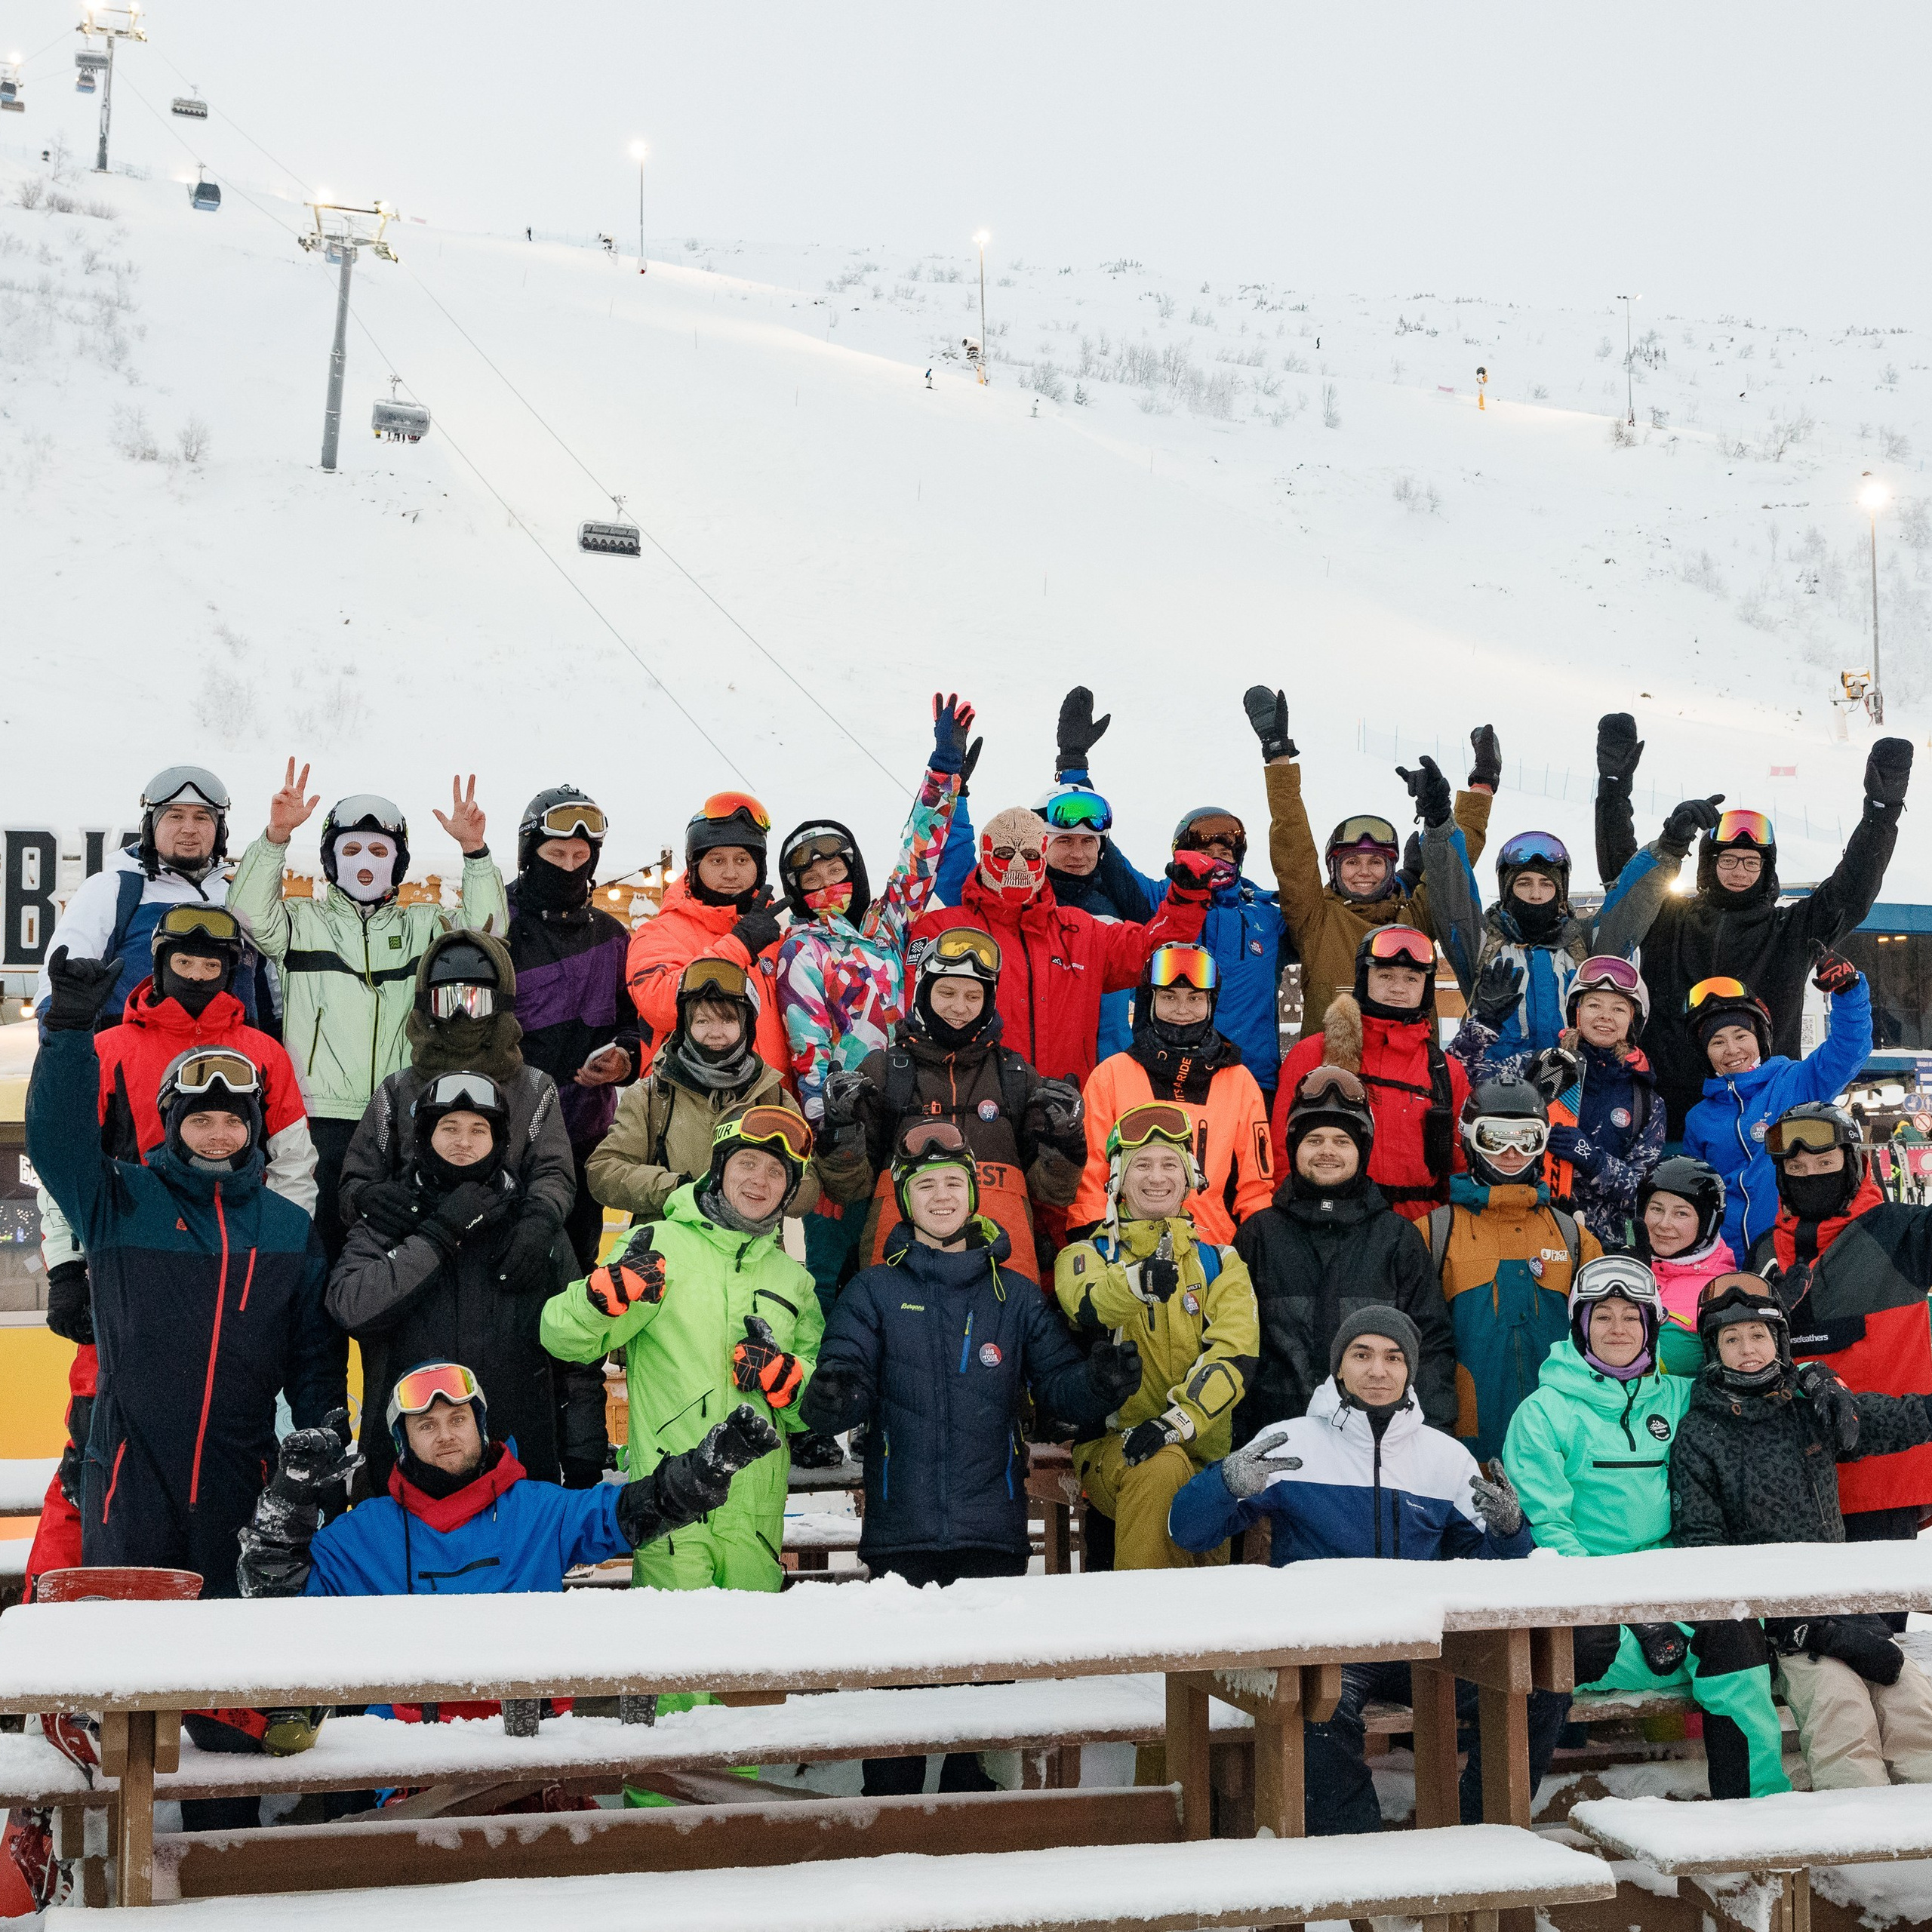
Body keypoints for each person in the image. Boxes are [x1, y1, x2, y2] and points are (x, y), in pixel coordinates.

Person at [800, 1124, 1140, 1797]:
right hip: (901, 1536)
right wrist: (834, 1394)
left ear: (974, 1195)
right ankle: (888, 1829)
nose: (941, 1196)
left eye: (953, 1183)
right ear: (905, 1200)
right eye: (925, 1185)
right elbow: (841, 1382)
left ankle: (973, 1835)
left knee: (977, 1733)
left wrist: (1101, 1382)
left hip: (992, 1537)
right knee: (897, 1729)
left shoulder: (1015, 1294)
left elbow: (1061, 1388)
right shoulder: (872, 1291)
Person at [1169, 1306, 1567, 1833]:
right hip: (1328, 1642)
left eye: (1393, 1358)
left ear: (1410, 1370)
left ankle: (1481, 1834)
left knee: (1541, 1686)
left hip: (1422, 1638)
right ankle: (1361, 1855)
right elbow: (1187, 1531)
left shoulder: (1445, 1457)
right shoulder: (1290, 1443)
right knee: (1318, 1711)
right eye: (1362, 1355)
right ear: (1339, 1367)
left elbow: (1493, 1576)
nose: (1378, 1370)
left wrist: (1510, 1533)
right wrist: (1225, 1484)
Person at [26, 950, 344, 1594]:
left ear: (253, 1128)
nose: (218, 1134)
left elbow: (315, 1360)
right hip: (127, 1475)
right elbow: (57, 1142)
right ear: (173, 1124)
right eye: (201, 1119)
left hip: (242, 1474)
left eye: (233, 1121)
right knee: (130, 1636)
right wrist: (68, 1033)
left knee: (228, 1642)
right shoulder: (122, 1200)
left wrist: (323, 1462)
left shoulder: (287, 1229)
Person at [1503, 1258, 1790, 1800]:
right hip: (1590, 1614)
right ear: (1580, 1326)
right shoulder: (1543, 1414)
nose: (1617, 1329)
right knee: (1604, 1650)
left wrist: (1813, 1379)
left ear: (1650, 1327)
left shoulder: (1679, 1397)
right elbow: (1549, 1529)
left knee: (1737, 1638)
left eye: (1631, 1317)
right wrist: (1630, 1612)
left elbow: (1756, 1382)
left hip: (1673, 1596)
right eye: (1602, 1316)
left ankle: (1758, 1812)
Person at [227, 762, 508, 1260]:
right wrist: (275, 838)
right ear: (330, 860)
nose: (364, 862)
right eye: (351, 849)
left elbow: (488, 932)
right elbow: (246, 915)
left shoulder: (424, 926)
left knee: (389, 1253)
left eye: (379, 852)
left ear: (398, 864)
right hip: (318, 1119)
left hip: (400, 1115)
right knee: (314, 1250)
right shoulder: (301, 923)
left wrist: (475, 853)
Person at [540, 1109, 823, 1592]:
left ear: (789, 1189)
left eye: (777, 1172)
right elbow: (562, 1337)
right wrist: (600, 1298)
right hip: (670, 1501)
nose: (760, 1181)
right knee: (675, 1640)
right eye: (748, 1163)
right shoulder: (659, 1244)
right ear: (720, 1168)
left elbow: (808, 1412)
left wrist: (787, 1378)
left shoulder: (792, 1279)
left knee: (756, 1641)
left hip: (756, 1513)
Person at [1672, 1273, 1932, 1790]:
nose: (1748, 1350)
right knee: (1843, 1719)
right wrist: (1785, 1623)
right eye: (1731, 1339)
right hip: (1787, 1628)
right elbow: (1702, 1548)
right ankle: (1859, 1836)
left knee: (1915, 1713)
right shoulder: (1700, 1433)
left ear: (1780, 1341)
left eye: (1759, 1335)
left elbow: (1889, 1421)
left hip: (1849, 1611)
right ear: (1713, 1348)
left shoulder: (1808, 1406)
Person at [238, 1362, 777, 1601]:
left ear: (481, 1427)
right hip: (405, 1761)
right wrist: (291, 1495)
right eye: (425, 1426)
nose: (445, 1436)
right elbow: (271, 1592)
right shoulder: (365, 1534)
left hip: (528, 1745)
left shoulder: (539, 1511)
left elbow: (632, 1512)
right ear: (403, 1445)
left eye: (457, 1419)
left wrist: (705, 1471)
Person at [1594, 737, 1911, 1129]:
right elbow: (1624, 888)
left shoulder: (1792, 929)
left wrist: (1881, 814)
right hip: (1664, 1119)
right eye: (1728, 860)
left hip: (1764, 1124)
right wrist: (1615, 791)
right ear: (1709, 864)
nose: (1739, 872)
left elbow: (1853, 890)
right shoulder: (1668, 919)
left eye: (1751, 862)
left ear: (1766, 870)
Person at [776, 697, 973, 1294]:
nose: (826, 886)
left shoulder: (885, 926)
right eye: (810, 880)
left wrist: (943, 773)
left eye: (835, 872)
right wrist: (827, 1131)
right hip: (845, 1126)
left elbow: (920, 855)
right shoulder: (801, 949)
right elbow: (808, 1050)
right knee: (830, 1266)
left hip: (904, 1108)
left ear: (853, 871)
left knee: (896, 1256)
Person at [1032, 684, 1291, 1103]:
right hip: (1163, 1077)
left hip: (1252, 1082)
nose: (1214, 862)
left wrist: (1278, 756)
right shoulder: (1156, 902)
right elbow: (1099, 846)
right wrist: (1073, 767)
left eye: (1225, 853)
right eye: (1202, 854)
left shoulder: (1268, 916)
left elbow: (1308, 889)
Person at [329, 1069, 578, 1495]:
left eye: (478, 1130)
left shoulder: (534, 1227)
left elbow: (578, 1355)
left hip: (520, 1468)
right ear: (424, 1137)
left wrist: (582, 1453)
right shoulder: (389, 1215)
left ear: (500, 1142)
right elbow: (349, 1306)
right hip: (404, 1471)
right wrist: (438, 1235)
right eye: (449, 1128)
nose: (463, 1142)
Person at [1054, 1103, 1260, 1569]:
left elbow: (1235, 1355)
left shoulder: (1221, 1263)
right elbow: (1087, 1302)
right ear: (1117, 1180)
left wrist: (1177, 1423)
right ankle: (1143, 1612)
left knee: (1199, 1491)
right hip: (1113, 1449)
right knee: (1161, 1467)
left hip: (1201, 1449)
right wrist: (1135, 1284)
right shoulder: (1086, 1255)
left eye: (1170, 1164)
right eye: (1141, 1165)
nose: (1157, 1177)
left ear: (1189, 1179)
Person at [814, 928, 1085, 1281]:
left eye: (974, 996)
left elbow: (1054, 1192)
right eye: (946, 992)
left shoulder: (1016, 1076)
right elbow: (847, 1188)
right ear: (923, 992)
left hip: (1003, 1278)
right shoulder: (884, 1071)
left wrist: (1067, 1143)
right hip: (901, 1278)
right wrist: (840, 1133)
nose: (960, 1008)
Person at [1243, 686, 1495, 1038]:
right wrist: (1278, 757)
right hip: (1331, 1070)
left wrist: (1482, 786)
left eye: (1376, 862)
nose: (1364, 872)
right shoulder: (1316, 920)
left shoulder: (1414, 918)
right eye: (1352, 862)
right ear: (1334, 869)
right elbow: (1293, 848)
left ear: (1391, 869)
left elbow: (1454, 869)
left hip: (1412, 1069)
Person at [909, 807, 1217, 1088]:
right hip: (974, 1104)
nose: (1018, 864)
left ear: (1043, 858)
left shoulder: (1080, 930)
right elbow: (916, 1016)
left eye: (1030, 854)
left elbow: (1151, 950)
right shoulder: (944, 929)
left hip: (1064, 1104)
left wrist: (1187, 897)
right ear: (984, 855)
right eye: (1004, 853)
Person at [1232, 1066, 1456, 1441]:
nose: (1327, 1151)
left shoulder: (1398, 1238)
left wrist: (1433, 1435)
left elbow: (1430, 1346)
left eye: (1341, 1140)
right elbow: (1234, 1346)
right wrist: (1237, 1441)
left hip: (1373, 1440)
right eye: (1314, 1139)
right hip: (1274, 1437)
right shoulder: (1258, 1236)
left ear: (1361, 1151)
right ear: (1294, 1148)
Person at [1750, 1102, 1932, 1555]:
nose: (1810, 1177)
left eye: (1825, 1164)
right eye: (1796, 1168)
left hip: (1882, 1478)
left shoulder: (1902, 1232)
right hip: (1791, 1484)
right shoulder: (1765, 1251)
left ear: (1852, 1165)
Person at [503, 787, 642, 1272]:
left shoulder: (611, 937)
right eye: (556, 854)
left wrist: (625, 1059)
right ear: (530, 855)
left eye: (580, 856)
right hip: (508, 1134)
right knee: (509, 1262)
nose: (568, 867)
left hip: (585, 1133)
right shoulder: (498, 925)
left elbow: (636, 1022)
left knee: (578, 1266)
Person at [1431, 1075, 1603, 1463]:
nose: (1512, 1152)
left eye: (1527, 1139)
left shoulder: (1573, 1237)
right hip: (1468, 1446)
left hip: (1560, 1446)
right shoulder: (1435, 1233)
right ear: (1469, 1139)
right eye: (1494, 1138)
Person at [1068, 943, 1272, 1246]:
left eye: (1195, 998)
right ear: (1151, 1001)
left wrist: (1258, 1247)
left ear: (1211, 1003)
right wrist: (1095, 1241)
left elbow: (1257, 1188)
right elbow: (1091, 1177)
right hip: (1126, 1243)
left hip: (1211, 1246)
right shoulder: (1111, 1075)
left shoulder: (1239, 1081)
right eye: (1169, 997)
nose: (1182, 1010)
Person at [589, 957, 818, 1226]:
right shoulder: (651, 1096)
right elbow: (603, 1172)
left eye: (728, 1021)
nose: (715, 1033)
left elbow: (809, 1184)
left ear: (746, 1025)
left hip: (748, 1249)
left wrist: (757, 1192)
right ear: (686, 1025)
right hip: (667, 1245)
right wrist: (681, 1190)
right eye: (702, 1021)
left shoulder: (772, 1097)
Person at [1457, 955, 1663, 1250]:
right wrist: (1484, 1024)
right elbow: (1459, 1076)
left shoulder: (1646, 1101)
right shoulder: (1537, 1067)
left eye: (1618, 1009)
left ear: (1632, 1021)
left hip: (1604, 1245)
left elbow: (1645, 1193)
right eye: (1594, 1005)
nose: (1605, 1016)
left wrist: (1595, 1161)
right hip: (1527, 1231)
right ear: (1576, 1013)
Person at [32, 765, 260, 1029]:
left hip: (231, 1054)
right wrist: (63, 1041)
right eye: (175, 816)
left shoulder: (238, 898)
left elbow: (272, 997)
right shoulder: (113, 890)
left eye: (202, 818)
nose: (189, 829)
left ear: (219, 830)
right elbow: (64, 986)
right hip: (130, 1053)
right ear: (151, 827)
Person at [1681, 956, 1872, 1260]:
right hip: (1728, 1260)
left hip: (1797, 1252)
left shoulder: (1796, 1082)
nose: (1732, 1050)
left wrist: (1848, 993)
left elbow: (1848, 1051)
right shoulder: (1699, 1119)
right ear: (1706, 1053)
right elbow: (1696, 1195)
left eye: (1741, 1036)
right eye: (1717, 1042)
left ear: (1760, 1039)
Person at [1275, 926, 1469, 1221]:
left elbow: (1461, 1167)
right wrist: (1287, 1218)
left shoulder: (1445, 1071)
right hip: (1331, 1222)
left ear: (1426, 987)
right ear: (1364, 979)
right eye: (1385, 976)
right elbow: (1281, 1149)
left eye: (1412, 978)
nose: (1398, 989)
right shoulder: (1313, 1055)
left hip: (1419, 1226)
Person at [623, 792, 790, 1080]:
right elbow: (659, 1005)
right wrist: (740, 945)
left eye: (742, 859)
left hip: (773, 1099)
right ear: (695, 867)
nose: (731, 873)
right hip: (687, 1100)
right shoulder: (660, 933)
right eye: (716, 860)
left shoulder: (773, 938)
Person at [1634, 1156, 1733, 1374]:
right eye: (1656, 1209)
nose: (1664, 1224)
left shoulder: (1723, 1291)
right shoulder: (1624, 1267)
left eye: (1681, 1213)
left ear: (1707, 1223)